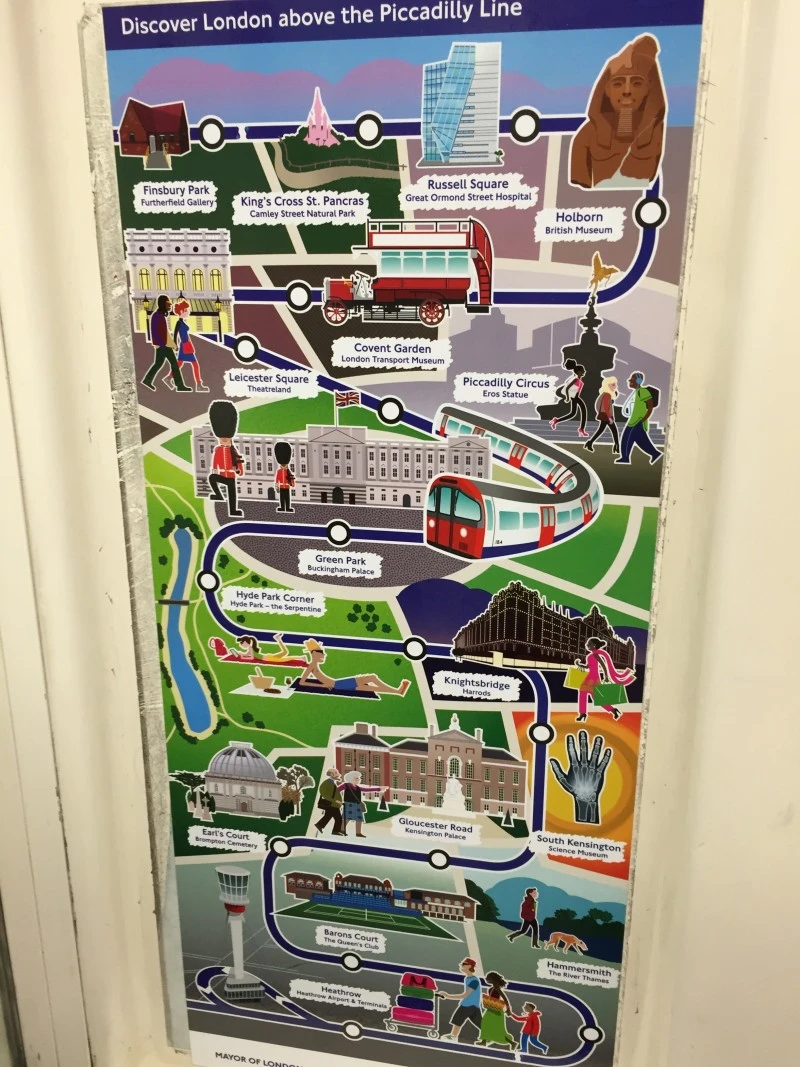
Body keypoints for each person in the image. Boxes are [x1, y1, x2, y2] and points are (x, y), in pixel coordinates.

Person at [570, 34, 666, 190]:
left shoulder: (654, 134)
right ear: (606, 89)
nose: (627, 91)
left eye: (636, 83)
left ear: (648, 88)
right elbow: (578, 194)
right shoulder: (586, 137)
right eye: (618, 83)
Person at [297, 639, 411, 696]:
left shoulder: (314, 665)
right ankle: (398, 691)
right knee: (372, 678)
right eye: (321, 653)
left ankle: (398, 691)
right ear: (314, 654)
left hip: (338, 684)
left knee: (371, 687)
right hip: (338, 685)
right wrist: (321, 685)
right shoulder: (312, 666)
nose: (324, 654)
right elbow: (302, 682)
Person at [576, 637, 635, 721]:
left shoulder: (595, 654)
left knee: (583, 692)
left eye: (589, 644)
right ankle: (613, 710)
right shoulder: (590, 655)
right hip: (592, 676)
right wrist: (579, 665)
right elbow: (588, 666)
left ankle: (583, 714)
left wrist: (606, 676)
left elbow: (603, 665)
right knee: (596, 698)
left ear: (594, 645)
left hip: (592, 677)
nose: (587, 645)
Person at [141, 295, 190, 392]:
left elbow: (165, 333)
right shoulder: (157, 316)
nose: (170, 306)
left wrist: (171, 345)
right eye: (168, 304)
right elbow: (156, 332)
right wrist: (163, 344)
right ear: (163, 304)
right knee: (174, 364)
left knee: (158, 363)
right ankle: (180, 385)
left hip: (163, 345)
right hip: (163, 345)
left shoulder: (159, 315)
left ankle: (147, 380)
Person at [207, 400, 245, 517]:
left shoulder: (233, 450)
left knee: (232, 493)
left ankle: (233, 510)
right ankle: (218, 494)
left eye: (226, 438)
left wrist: (238, 470)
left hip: (231, 476)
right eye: (222, 437)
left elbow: (238, 463)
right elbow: (215, 461)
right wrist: (214, 470)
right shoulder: (218, 449)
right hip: (221, 475)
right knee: (212, 478)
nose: (224, 439)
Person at [615, 372, 663, 465]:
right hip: (634, 420)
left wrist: (644, 418)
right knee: (640, 440)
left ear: (638, 381)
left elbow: (650, 406)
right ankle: (655, 454)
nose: (629, 381)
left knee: (627, 439)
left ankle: (625, 458)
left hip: (637, 420)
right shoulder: (637, 392)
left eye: (632, 380)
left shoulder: (643, 392)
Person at [163, 299, 208, 392]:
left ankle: (168, 378)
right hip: (185, 346)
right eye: (187, 310)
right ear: (182, 311)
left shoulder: (182, 322)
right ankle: (199, 385)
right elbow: (175, 334)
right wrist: (175, 345)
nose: (188, 312)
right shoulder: (179, 323)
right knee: (195, 365)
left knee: (180, 364)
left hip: (186, 345)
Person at [439, 958, 483, 1043]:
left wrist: (448, 996)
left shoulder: (474, 981)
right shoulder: (468, 978)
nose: (461, 965)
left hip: (468, 1005)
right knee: (480, 1023)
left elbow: (465, 995)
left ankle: (453, 1036)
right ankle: (489, 1036)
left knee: (457, 1019)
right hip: (472, 1006)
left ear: (469, 966)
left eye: (463, 964)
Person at [475, 971, 517, 1050]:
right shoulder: (491, 988)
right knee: (485, 1023)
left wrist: (508, 1009)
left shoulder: (497, 988)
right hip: (490, 1009)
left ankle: (512, 1043)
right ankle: (484, 1041)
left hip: (497, 1011)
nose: (486, 979)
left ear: (493, 979)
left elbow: (505, 998)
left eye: (488, 978)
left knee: (498, 1029)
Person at [337, 770, 383, 838]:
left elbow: (366, 789)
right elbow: (336, 790)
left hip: (357, 805)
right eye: (357, 778)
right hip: (349, 804)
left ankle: (358, 833)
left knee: (359, 819)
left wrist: (379, 789)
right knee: (346, 818)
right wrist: (337, 800)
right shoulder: (346, 785)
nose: (359, 779)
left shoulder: (358, 787)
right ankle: (341, 830)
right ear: (351, 778)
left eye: (359, 778)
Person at [550, 360, 589, 438]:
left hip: (576, 397)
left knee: (573, 414)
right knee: (582, 411)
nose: (584, 371)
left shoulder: (579, 379)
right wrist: (568, 397)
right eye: (582, 370)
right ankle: (581, 429)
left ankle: (556, 420)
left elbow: (576, 390)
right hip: (574, 398)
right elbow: (567, 388)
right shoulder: (575, 379)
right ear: (578, 372)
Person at [585, 376, 620, 454]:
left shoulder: (604, 394)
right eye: (613, 384)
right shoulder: (607, 395)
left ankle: (590, 443)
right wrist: (609, 417)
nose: (615, 386)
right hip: (607, 416)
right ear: (608, 385)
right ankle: (616, 446)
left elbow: (598, 406)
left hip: (604, 415)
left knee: (602, 430)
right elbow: (606, 407)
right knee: (614, 431)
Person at [315, 767, 345, 836]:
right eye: (336, 773)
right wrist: (335, 800)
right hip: (332, 804)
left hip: (334, 804)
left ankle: (319, 825)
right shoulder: (327, 782)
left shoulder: (332, 782)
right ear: (331, 774)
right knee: (338, 818)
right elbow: (323, 793)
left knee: (328, 816)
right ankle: (335, 831)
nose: (338, 774)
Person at [274, 441, 295, 513]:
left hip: (286, 487)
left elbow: (291, 477)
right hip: (282, 487)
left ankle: (288, 507)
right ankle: (282, 507)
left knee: (287, 498)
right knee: (282, 498)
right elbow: (277, 480)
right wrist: (277, 487)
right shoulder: (279, 471)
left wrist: (292, 483)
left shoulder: (287, 471)